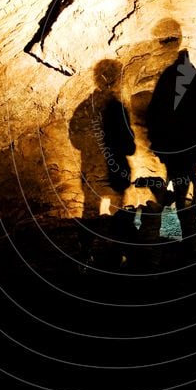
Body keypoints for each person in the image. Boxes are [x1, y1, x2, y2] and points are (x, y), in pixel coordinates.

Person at [145, 49, 196, 252]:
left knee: (154, 203)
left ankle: (149, 249)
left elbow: (153, 114)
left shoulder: (167, 79)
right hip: (186, 157)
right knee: (186, 204)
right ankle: (193, 249)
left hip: (165, 154)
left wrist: (156, 143)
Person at [69, 60, 136, 268]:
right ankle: (117, 257)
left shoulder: (84, 107)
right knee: (118, 214)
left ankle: (85, 254)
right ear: (116, 80)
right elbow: (128, 145)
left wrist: (93, 149)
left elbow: (75, 140)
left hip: (91, 171)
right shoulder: (117, 108)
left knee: (89, 213)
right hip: (114, 171)